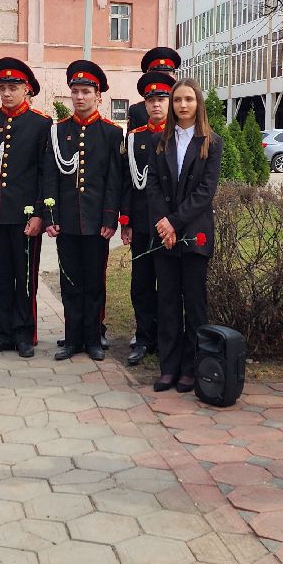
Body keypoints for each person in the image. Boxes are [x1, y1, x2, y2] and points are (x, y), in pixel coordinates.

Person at [43, 60, 123, 362]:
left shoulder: (111, 133)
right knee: (70, 281)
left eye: (86, 91)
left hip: (96, 223)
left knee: (94, 281)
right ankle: (72, 337)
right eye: (75, 91)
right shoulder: (57, 132)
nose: (79, 97)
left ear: (98, 96)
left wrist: (109, 218)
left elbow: (113, 181)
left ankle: (92, 338)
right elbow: (49, 178)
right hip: (66, 221)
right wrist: (51, 218)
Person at [146, 78, 221, 392]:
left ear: (197, 103)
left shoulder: (211, 142)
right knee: (167, 302)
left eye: (188, 99)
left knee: (194, 303)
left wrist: (174, 223)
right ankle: (169, 367)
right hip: (166, 235)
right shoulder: (161, 141)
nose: (182, 105)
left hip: (193, 234)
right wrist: (163, 224)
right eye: (178, 100)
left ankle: (192, 368)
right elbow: (152, 186)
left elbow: (205, 192)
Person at [0, 58, 51, 360]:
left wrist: (39, 215)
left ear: (27, 89)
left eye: (14, 88)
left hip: (25, 216)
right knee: (0, 276)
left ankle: (24, 333)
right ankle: (1, 332)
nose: (7, 93)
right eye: (3, 88)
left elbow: (44, 174)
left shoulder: (41, 123)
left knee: (26, 277)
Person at [120, 70, 174, 366]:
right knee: (141, 283)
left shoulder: (178, 135)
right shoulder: (135, 138)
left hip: (168, 224)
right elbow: (129, 181)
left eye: (161, 99)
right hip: (141, 223)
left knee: (166, 284)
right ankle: (143, 338)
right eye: (151, 100)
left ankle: (165, 339)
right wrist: (126, 220)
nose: (155, 105)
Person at [128, 47, 181, 131]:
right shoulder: (137, 111)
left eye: (167, 74)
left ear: (175, 76)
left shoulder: (183, 107)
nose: (162, 78)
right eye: (158, 74)